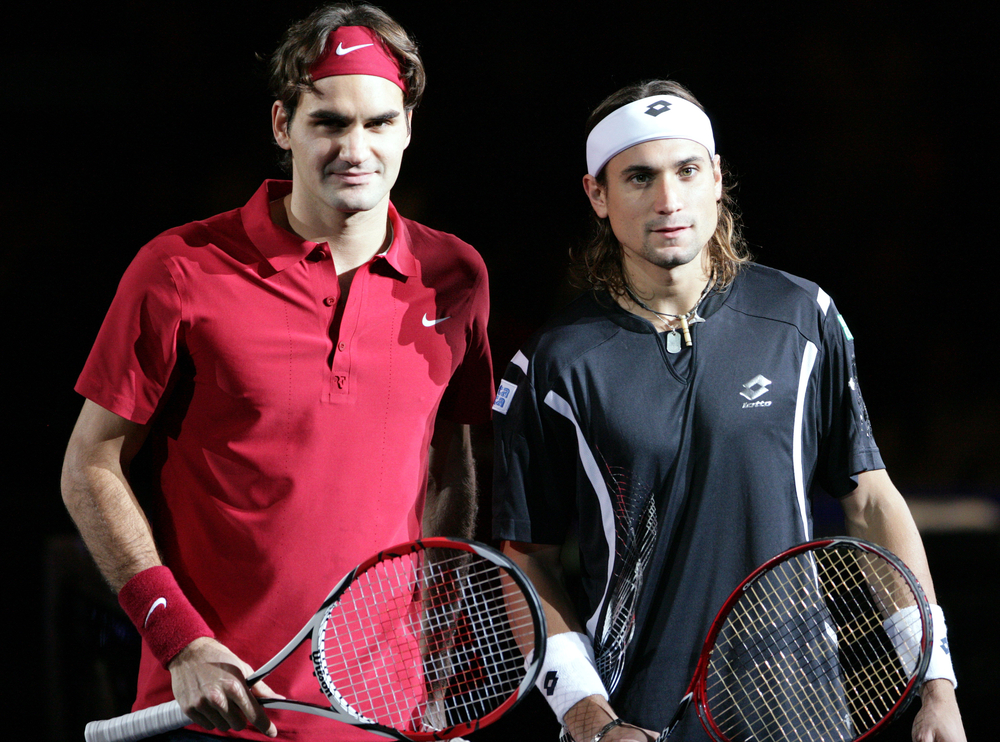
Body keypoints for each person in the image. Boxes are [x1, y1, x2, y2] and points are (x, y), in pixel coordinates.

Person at [60, 4, 493, 740]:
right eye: (330, 122)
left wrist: (434, 633)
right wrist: (180, 641)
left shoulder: (456, 276)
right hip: (208, 710)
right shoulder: (177, 268)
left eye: (380, 123)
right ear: (282, 124)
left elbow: (449, 462)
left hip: (380, 716)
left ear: (408, 128)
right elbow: (89, 465)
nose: (357, 148)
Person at [491, 80, 966, 742]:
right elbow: (526, 558)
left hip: (803, 715)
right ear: (597, 195)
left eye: (687, 170)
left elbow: (873, 504)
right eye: (639, 177)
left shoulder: (803, 319)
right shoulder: (553, 365)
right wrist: (589, 715)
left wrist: (936, 682)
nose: (668, 200)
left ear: (716, 179)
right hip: (638, 719)